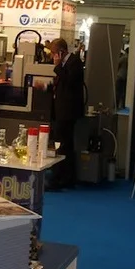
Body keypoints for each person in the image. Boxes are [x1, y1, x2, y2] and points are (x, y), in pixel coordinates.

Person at [49, 38, 84, 190]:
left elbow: (69, 81)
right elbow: (62, 83)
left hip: (68, 111)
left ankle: (59, 178)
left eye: (53, 53)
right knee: (65, 145)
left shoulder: (74, 63)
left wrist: (57, 66)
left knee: (62, 145)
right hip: (61, 110)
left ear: (61, 52)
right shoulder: (66, 64)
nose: (52, 57)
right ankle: (66, 178)